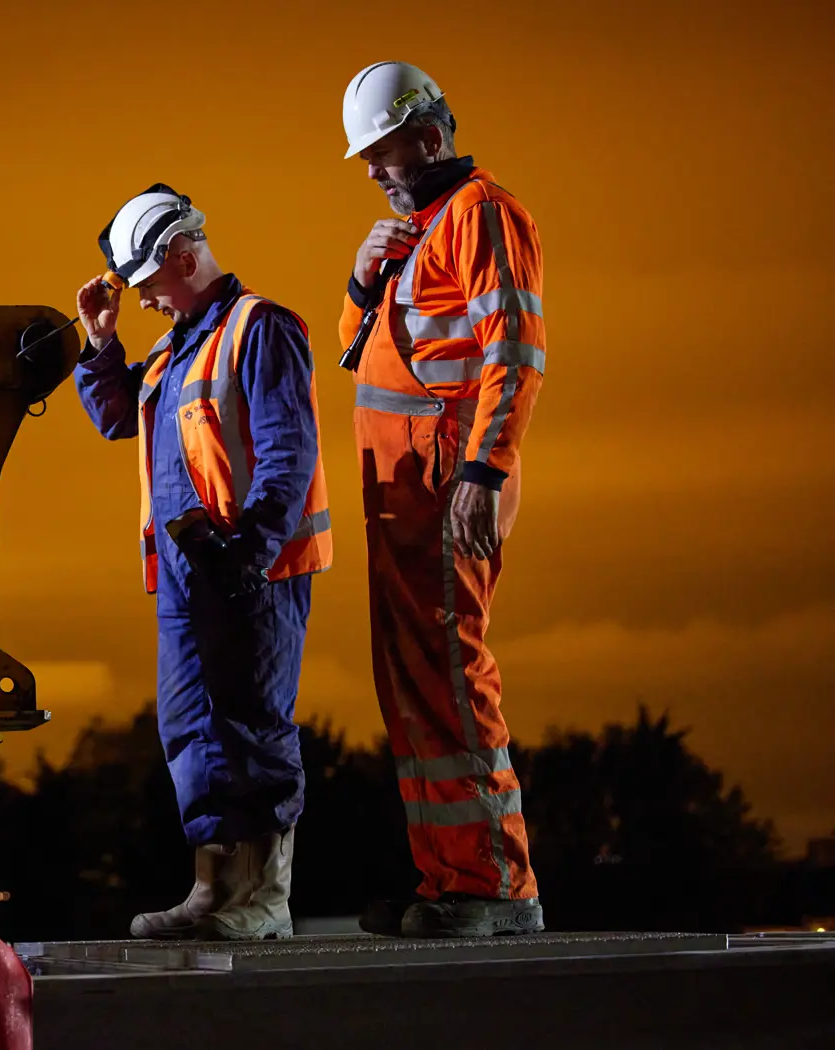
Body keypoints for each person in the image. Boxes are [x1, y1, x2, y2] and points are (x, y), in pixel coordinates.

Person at [73, 185, 332, 940]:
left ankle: (263, 897)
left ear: (185, 258)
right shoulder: (174, 347)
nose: (144, 299)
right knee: (192, 727)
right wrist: (100, 344)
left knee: (251, 724)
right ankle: (215, 889)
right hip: (190, 573)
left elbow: (288, 450)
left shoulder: (260, 328)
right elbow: (117, 416)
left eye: (149, 282)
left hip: (250, 566)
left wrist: (252, 549)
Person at [337, 61, 548, 937]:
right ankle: (451, 880)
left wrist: (483, 471)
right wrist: (361, 282)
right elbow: (363, 351)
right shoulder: (420, 230)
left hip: (448, 480)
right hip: (411, 493)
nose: (373, 172)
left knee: (453, 680)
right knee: (417, 687)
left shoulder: (481, 215)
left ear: (427, 138)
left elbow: (515, 351)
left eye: (380, 153)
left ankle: (496, 887)